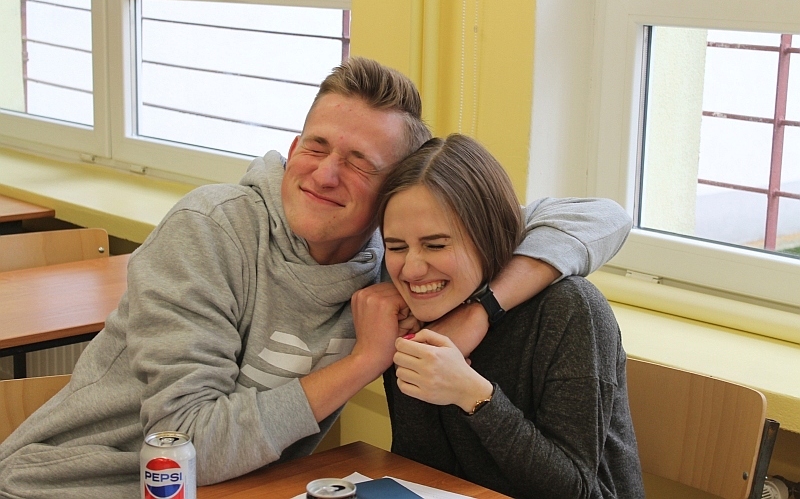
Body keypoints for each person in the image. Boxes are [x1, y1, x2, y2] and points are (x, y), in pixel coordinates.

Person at [0, 58, 631, 498]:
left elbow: (599, 216)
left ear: (395, 194)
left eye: (359, 162)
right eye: (316, 146)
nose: (325, 174)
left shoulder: (404, 260)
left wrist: (479, 312)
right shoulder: (212, 228)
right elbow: (187, 448)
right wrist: (364, 361)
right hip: (69, 485)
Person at [365, 134, 644, 498]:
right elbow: (422, 472)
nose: (412, 269)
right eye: (397, 246)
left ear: (488, 236)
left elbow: (572, 490)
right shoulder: (411, 308)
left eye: (436, 244)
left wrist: (472, 394)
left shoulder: (569, 309)